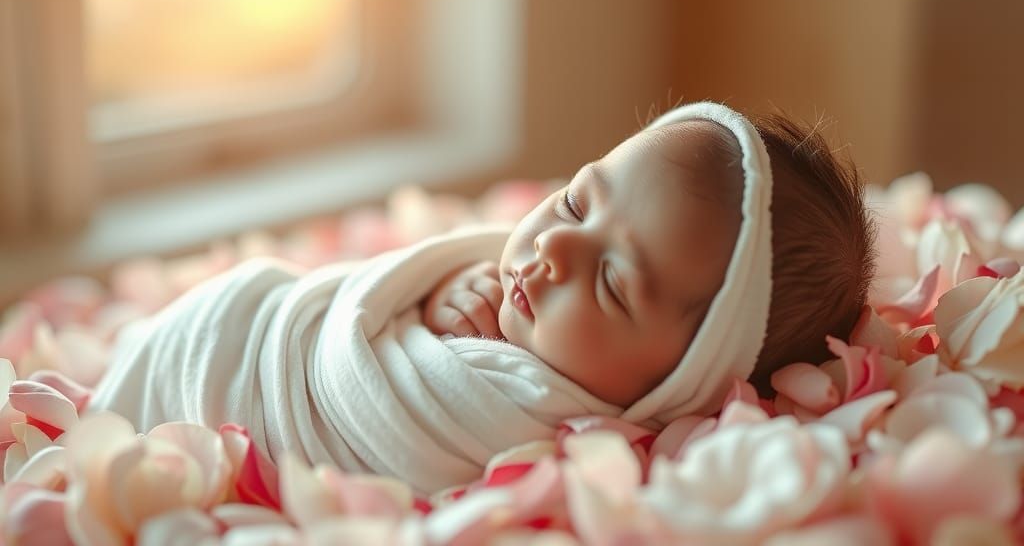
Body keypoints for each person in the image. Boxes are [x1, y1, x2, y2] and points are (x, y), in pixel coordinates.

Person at [88, 102, 875, 494]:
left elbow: (411, 431)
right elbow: (366, 311)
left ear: (682, 385)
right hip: (247, 333)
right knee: (250, 299)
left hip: (236, 408)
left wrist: (455, 346)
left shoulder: (550, 437)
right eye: (574, 203)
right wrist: (437, 300)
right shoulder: (504, 296)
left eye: (611, 282)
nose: (554, 248)